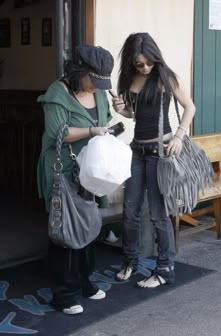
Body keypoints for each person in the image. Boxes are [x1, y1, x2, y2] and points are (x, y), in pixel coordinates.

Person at [111, 33, 195, 288]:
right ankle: (130, 261)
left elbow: (190, 107)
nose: (145, 68)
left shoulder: (166, 76)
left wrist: (180, 136)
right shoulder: (130, 78)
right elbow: (135, 113)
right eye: (139, 64)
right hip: (137, 151)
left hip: (161, 152)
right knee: (130, 212)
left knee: (158, 215)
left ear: (155, 58)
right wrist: (120, 109)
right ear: (132, 63)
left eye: (149, 63)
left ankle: (165, 269)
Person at [37, 45, 114, 314]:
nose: (97, 87)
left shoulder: (100, 93)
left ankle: (84, 280)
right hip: (64, 169)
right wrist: (93, 129)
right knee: (65, 230)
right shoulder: (58, 92)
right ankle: (63, 293)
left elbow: (106, 120)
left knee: (88, 226)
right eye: (94, 81)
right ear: (80, 72)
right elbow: (57, 131)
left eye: (102, 82)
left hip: (90, 170)